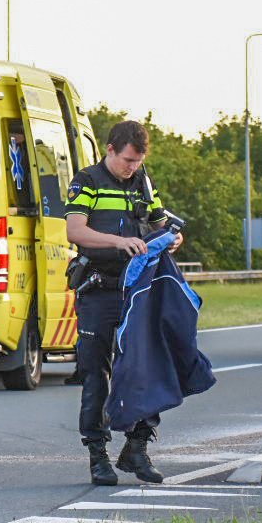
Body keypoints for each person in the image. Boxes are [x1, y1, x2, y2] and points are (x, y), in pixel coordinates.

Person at [64, 120, 182, 486]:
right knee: (96, 374)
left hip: (137, 291)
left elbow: (161, 223)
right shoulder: (88, 180)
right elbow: (74, 230)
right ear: (110, 149)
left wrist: (173, 239)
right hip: (99, 289)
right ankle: (97, 456)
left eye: (138, 161)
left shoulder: (143, 181)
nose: (132, 167)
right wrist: (117, 242)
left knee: (149, 366)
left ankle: (137, 447)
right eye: (127, 160)